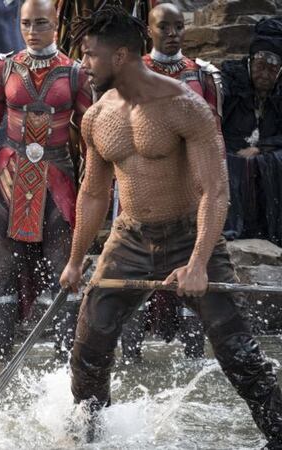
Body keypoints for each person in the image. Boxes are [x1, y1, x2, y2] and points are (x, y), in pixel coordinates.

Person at [60, 6, 282, 445]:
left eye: (90, 54)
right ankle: (91, 437)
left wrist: (198, 263)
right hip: (130, 238)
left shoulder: (185, 106)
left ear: (120, 56)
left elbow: (215, 191)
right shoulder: (97, 115)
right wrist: (74, 260)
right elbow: (93, 193)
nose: (83, 65)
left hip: (190, 236)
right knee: (88, 352)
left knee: (240, 356)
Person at [0, 0, 92, 358]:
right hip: (8, 178)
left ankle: (66, 354)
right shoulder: (3, 68)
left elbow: (91, 132)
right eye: (26, 23)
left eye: (41, 23)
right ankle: (1, 350)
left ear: (55, 23)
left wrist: (103, 173)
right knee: (3, 267)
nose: (32, 31)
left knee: (61, 265)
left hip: (57, 179)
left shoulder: (76, 74)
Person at [120, 1, 224, 360]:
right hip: (144, 186)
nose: (172, 34)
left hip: (192, 188)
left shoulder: (203, 76)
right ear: (149, 29)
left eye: (178, 27)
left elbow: (216, 138)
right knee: (135, 272)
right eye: (164, 27)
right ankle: (130, 362)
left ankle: (193, 362)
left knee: (193, 266)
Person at [221, 17, 282, 246]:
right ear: (250, 62)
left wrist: (261, 148)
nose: (264, 74)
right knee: (226, 162)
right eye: (260, 66)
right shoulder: (231, 77)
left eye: (272, 69)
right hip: (231, 149)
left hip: (266, 150)